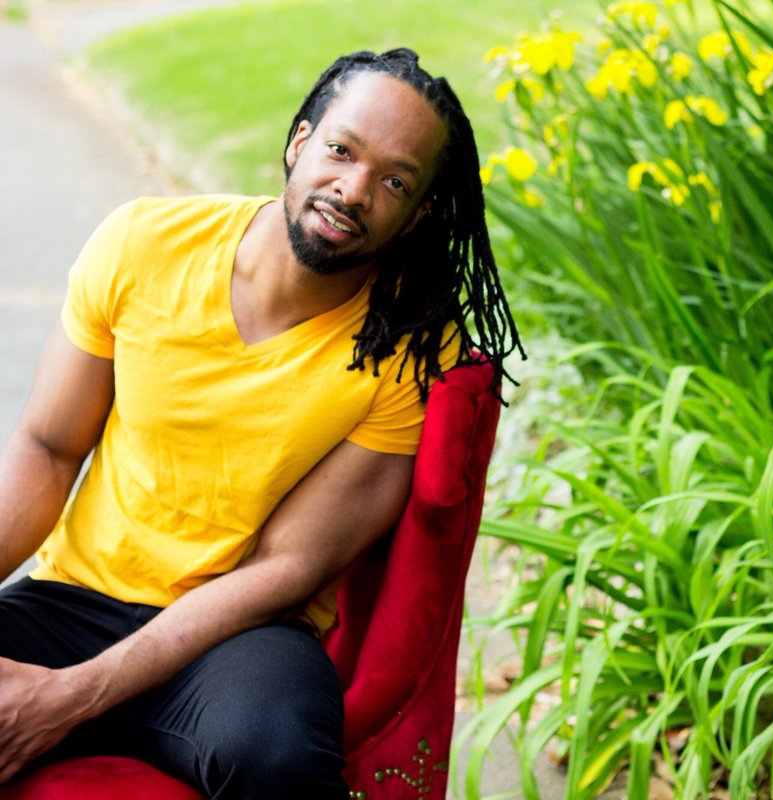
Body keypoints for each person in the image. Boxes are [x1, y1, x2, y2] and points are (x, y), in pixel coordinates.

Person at [0, 47, 521, 799]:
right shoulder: (143, 244)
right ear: (298, 142)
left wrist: (71, 696)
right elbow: (48, 449)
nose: (352, 190)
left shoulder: (410, 348)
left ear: (418, 215)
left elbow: (288, 567)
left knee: (278, 753)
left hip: (239, 640)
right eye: (341, 150)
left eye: (394, 181)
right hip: (74, 599)